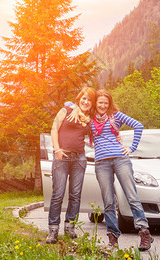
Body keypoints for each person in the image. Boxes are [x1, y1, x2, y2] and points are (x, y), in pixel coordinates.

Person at [83, 89, 153, 250]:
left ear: (109, 104)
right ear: (96, 103)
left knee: (132, 196)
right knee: (108, 201)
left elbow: (138, 125)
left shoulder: (116, 116)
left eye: (106, 103)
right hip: (101, 163)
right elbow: (73, 109)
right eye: (100, 102)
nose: (103, 105)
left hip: (121, 160)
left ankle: (144, 233)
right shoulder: (90, 118)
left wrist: (131, 147)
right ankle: (112, 238)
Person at [46, 87, 96, 244]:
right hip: (62, 157)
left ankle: (70, 227)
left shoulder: (90, 119)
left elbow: (101, 134)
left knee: (75, 195)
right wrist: (57, 150)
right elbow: (54, 129)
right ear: (79, 99)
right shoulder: (66, 110)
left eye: (89, 99)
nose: (86, 101)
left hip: (79, 159)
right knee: (58, 194)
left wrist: (117, 137)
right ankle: (53, 230)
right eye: (84, 98)